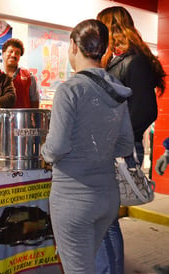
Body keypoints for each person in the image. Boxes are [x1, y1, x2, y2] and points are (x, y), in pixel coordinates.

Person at [41, 19, 134, 274]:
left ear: (73, 46)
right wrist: (98, 151)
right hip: (107, 197)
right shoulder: (118, 92)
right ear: (104, 50)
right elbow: (126, 144)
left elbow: (57, 146)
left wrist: (44, 152)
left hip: (74, 199)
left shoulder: (70, 90)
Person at [96, 6, 166, 273]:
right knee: (108, 221)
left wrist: (120, 141)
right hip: (114, 147)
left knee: (106, 221)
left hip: (119, 150)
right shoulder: (118, 60)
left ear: (111, 27)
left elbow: (146, 110)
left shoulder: (133, 61)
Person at [1, 38, 40, 108]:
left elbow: (35, 101)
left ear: (19, 56)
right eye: (10, 51)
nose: (13, 55)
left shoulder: (29, 76)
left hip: (23, 118)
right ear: (3, 53)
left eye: (17, 53)